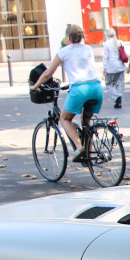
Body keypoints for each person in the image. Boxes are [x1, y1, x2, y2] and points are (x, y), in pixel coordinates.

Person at [30, 24, 102, 162]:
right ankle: (90, 149)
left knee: (65, 118)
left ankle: (79, 147)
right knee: (86, 120)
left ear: (68, 37)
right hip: (97, 88)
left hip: (80, 89)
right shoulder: (88, 49)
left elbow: (47, 73)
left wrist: (36, 86)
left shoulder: (64, 51)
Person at [102, 30, 127, 109]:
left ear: (108, 35)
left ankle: (116, 97)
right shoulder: (120, 42)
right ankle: (119, 96)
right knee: (120, 83)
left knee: (109, 83)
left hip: (111, 67)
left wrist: (104, 68)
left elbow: (105, 57)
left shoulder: (106, 44)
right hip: (120, 66)